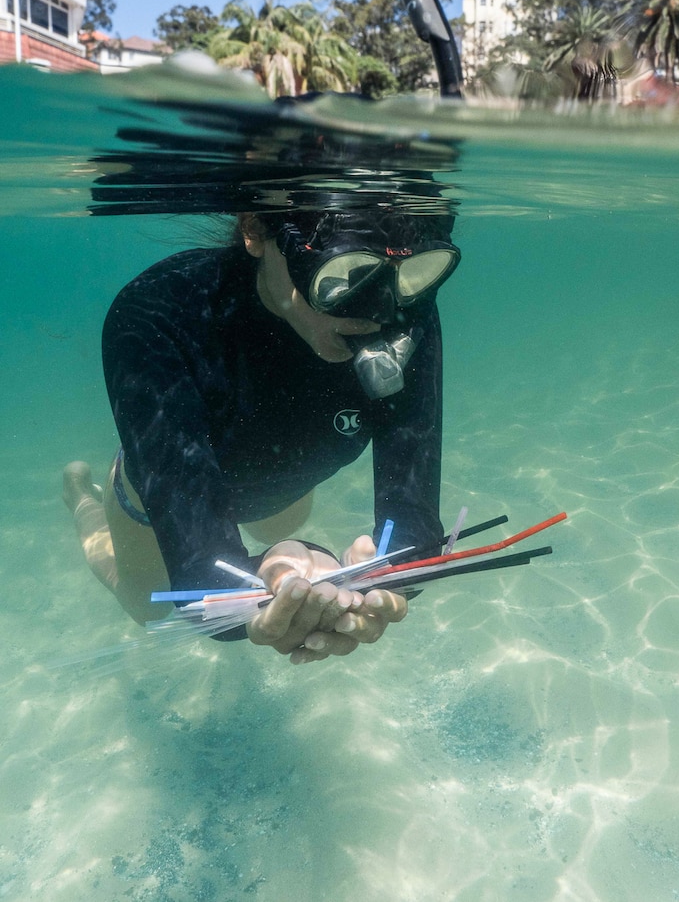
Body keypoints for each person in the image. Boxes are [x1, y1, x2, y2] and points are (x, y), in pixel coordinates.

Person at [63, 203, 460, 664]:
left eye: (411, 274)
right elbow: (202, 586)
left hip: (281, 489)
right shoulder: (161, 310)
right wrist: (270, 592)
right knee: (147, 610)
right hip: (159, 501)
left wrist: (373, 578)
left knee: (283, 523)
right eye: (346, 273)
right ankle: (80, 497)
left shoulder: (405, 311)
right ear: (255, 228)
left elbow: (412, 522)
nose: (379, 310)